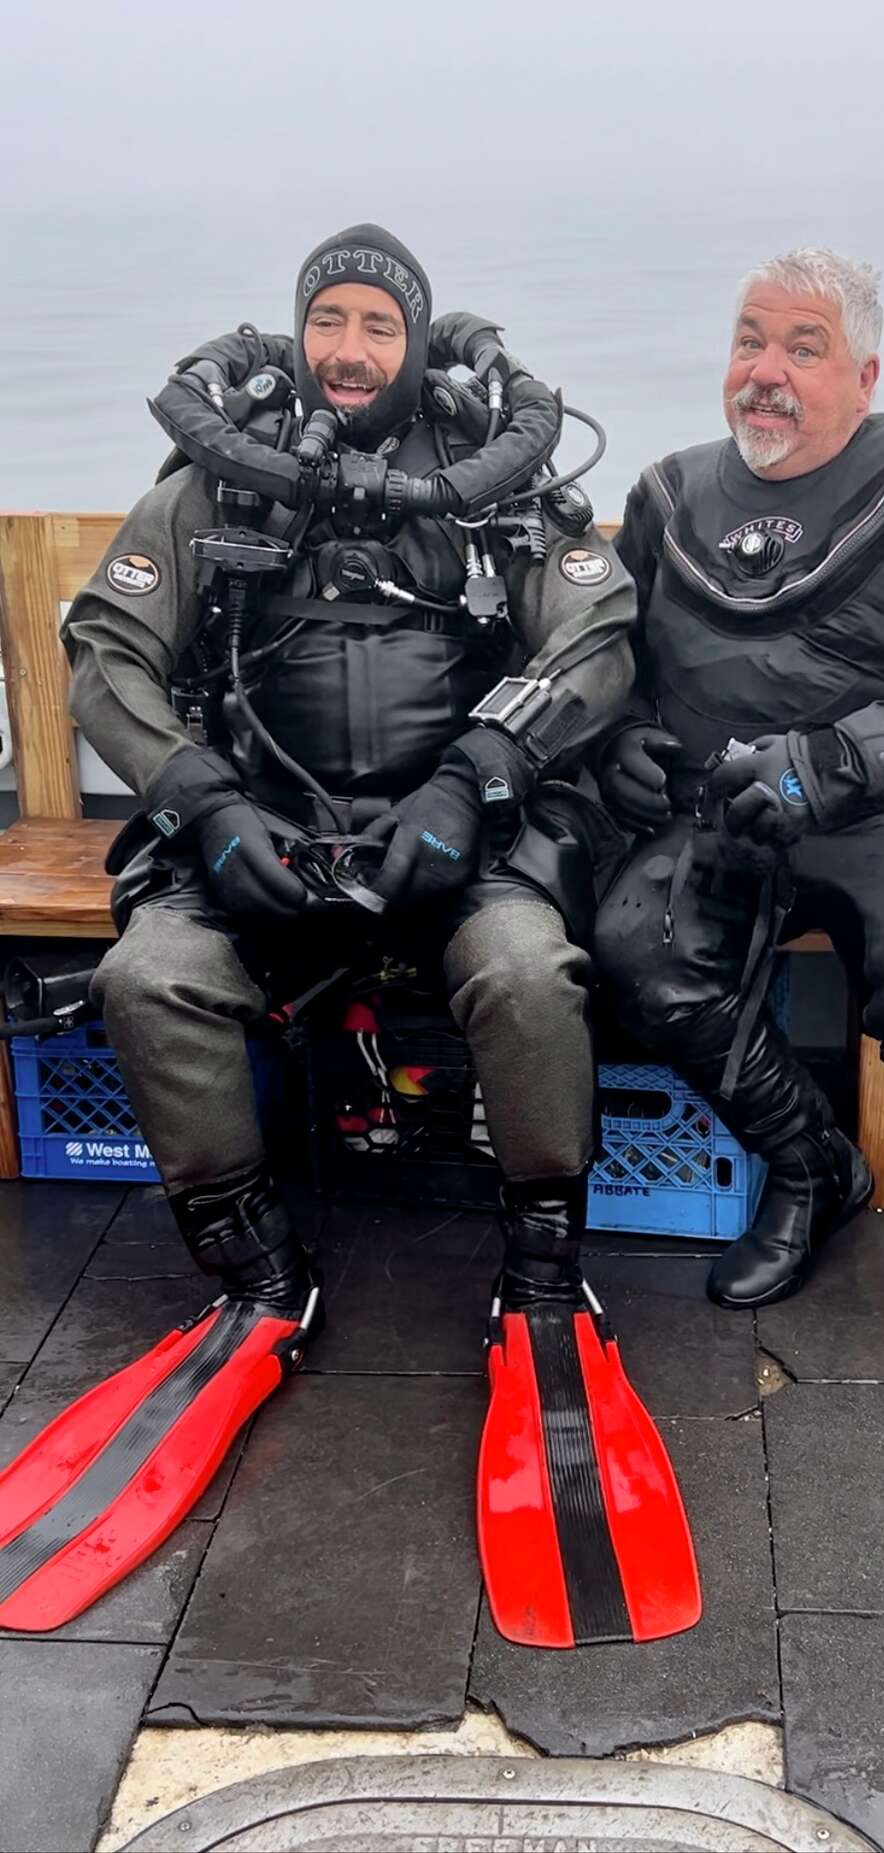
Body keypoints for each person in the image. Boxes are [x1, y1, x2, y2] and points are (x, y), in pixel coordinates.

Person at [0, 225, 701, 1647]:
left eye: (379, 324)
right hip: (263, 839)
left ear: (421, 345)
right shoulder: (213, 484)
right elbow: (108, 651)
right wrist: (201, 804)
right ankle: (258, 1263)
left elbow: (597, 636)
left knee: (524, 970)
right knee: (149, 976)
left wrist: (479, 775)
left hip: (459, 836)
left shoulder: (498, 486)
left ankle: (546, 1266)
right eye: (331, 319)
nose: (350, 348)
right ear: (297, 333)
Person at [593, 247, 884, 1379]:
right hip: (723, 808)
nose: (767, 371)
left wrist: (849, 754)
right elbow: (619, 657)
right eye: (749, 342)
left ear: (863, 372)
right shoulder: (666, 492)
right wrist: (619, 738)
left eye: (802, 348)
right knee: (636, 947)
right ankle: (810, 1166)